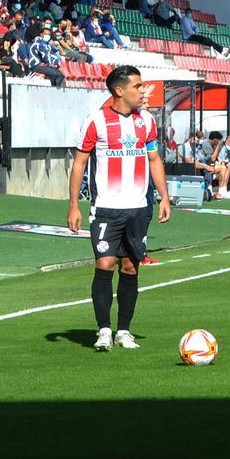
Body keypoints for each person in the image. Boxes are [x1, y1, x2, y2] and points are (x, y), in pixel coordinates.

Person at [67, 65, 172, 352]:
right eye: (137, 86)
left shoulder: (147, 121)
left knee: (129, 267)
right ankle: (103, 330)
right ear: (119, 90)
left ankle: (123, 330)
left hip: (137, 209)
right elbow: (79, 163)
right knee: (105, 264)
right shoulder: (96, 122)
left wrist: (164, 196)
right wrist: (74, 205)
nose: (143, 91)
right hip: (106, 209)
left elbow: (154, 160)